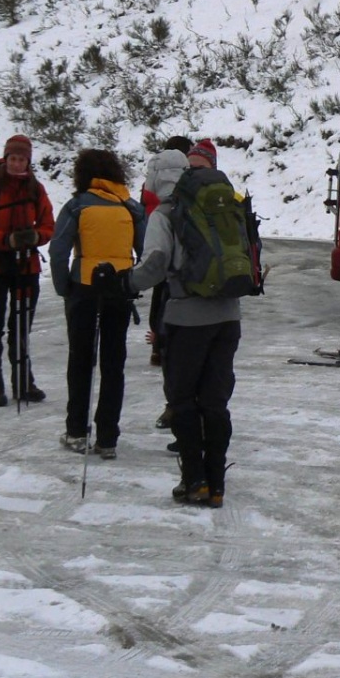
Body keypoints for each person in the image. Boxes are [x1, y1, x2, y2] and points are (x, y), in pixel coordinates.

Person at [129, 136, 243, 508]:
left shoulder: (165, 214)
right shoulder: (221, 206)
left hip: (186, 318)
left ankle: (194, 480)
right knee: (215, 401)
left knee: (182, 399)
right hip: (228, 315)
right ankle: (217, 484)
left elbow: (156, 262)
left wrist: (122, 282)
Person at [50, 149, 143, 460]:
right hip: (119, 288)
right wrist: (132, 281)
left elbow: (58, 249)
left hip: (84, 289)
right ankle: (108, 437)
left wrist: (64, 285)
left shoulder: (76, 206)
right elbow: (145, 249)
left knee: (81, 361)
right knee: (113, 364)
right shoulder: (131, 207)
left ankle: (76, 431)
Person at [0, 134, 55, 407]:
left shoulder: (36, 188)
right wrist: (5, 240)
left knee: (21, 328)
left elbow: (47, 224)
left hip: (26, 265)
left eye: (21, 159)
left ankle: (23, 382)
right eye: (13, 158)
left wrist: (35, 237)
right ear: (5, 158)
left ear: (27, 161)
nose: (16, 163)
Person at [140, 135, 192, 370]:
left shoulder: (154, 174)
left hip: (155, 239)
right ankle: (170, 342)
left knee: (159, 293)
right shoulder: (187, 186)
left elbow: (144, 204)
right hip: (178, 245)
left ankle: (157, 343)